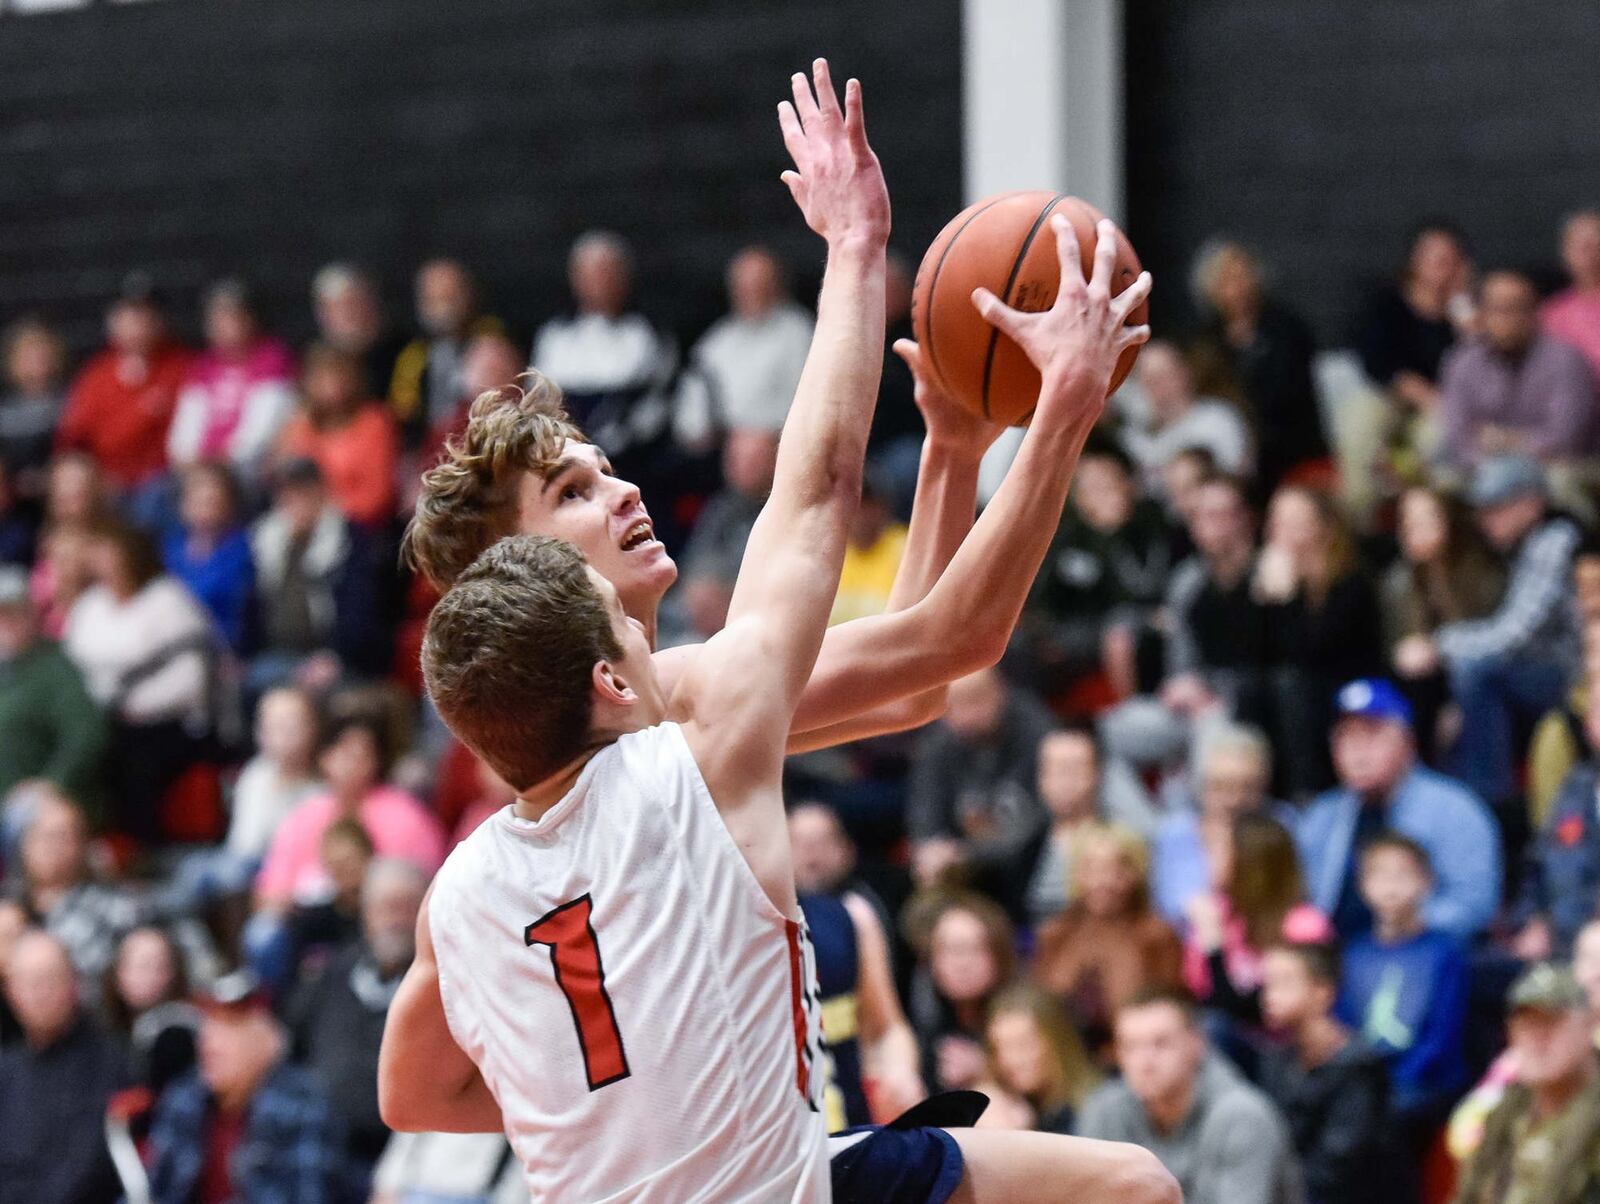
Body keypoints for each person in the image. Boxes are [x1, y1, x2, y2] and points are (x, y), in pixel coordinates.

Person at [382, 63, 1171, 1204]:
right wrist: (880, 270)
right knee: (1130, 1189)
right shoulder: (697, 726)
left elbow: (918, 673)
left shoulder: (470, 881)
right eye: (569, 493)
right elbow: (843, 523)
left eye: (602, 465)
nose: (617, 490)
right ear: (524, 572)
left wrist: (950, 452)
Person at [1426, 455, 1583, 809]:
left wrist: (1440, 645)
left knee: (1476, 671)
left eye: (1496, 508)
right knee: (1466, 676)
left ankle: (1490, 799)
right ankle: (1459, 797)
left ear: (1531, 504)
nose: (1486, 521)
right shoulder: (1514, 550)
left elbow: (1514, 634)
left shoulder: (1556, 540)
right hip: (1537, 675)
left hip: (1573, 682)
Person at [1295, 678, 1501, 941]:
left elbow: (1475, 905)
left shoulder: (1454, 809)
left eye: (1372, 734)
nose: (1358, 751)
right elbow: (1303, 900)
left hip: (1421, 957)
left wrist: (1408, 928)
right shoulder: (1322, 815)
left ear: (1407, 742)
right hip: (1332, 963)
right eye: (1346, 736)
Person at [64, 518, 216, 842]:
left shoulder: (168, 601)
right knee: (82, 749)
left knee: (132, 760)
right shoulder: (90, 605)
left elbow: (191, 677)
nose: (101, 559)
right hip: (98, 716)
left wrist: (133, 707)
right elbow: (72, 667)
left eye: (109, 551)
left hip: (164, 722)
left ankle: (141, 847)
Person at [1078, 988, 1302, 1204]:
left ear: (1197, 1043)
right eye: (1130, 1047)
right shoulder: (1104, 1109)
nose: (1144, 1062)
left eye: (1161, 1044)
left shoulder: (1243, 1117)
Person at [288, 858, 428, 1198]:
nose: (394, 920)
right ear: (366, 914)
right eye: (384, 907)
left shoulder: (442, 986)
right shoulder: (330, 974)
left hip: (407, 1156)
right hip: (322, 1147)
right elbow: (291, 1045)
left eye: (405, 907)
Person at [147, 971, 345, 1204]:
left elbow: (308, 1196)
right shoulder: (184, 1096)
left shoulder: (304, 1102)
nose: (209, 1043)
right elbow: (154, 1191)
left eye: (228, 1027)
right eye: (207, 1027)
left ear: (265, 1041)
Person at [789, 803, 926, 1128]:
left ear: (845, 850)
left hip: (847, 1116)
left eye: (820, 842)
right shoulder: (742, 921)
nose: (811, 854)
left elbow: (887, 1027)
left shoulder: (853, 914)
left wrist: (901, 1072)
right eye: (800, 843)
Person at [1337, 833, 1470, 1146]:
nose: (1390, 887)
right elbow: (1341, 1026)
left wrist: (1392, 1085)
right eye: (1378, 875)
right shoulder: (1353, 953)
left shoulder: (1444, 952)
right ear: (1362, 885)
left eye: (1402, 874)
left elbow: (1441, 1038)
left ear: (1427, 882)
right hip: (1363, 1079)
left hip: (1423, 1083)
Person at [1254, 484, 1384, 796]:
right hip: (1300, 692)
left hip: (1350, 686)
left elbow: (1313, 653)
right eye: (1277, 522)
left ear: (1324, 527)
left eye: (1294, 522)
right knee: (1254, 691)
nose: (1281, 532)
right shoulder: (1271, 575)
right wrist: (1263, 600)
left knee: (1291, 684)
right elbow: (1254, 653)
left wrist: (1285, 601)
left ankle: (1305, 794)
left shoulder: (1352, 581)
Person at [1019, 441, 1174, 700]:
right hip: (1070, 627)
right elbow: (1043, 595)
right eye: (1088, 488)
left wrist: (1110, 535)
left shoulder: (1147, 528)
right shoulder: (1065, 535)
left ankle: (1130, 714)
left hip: (1128, 621)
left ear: (1127, 486)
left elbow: (1135, 591)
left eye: (1106, 485)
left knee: (1118, 632)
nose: (1098, 496)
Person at [255, 710, 443, 915]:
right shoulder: (305, 815)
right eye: (345, 754)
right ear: (324, 758)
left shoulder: (406, 817)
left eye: (362, 756)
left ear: (376, 762)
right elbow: (269, 892)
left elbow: (425, 894)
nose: (352, 764)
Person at [907, 667, 1056, 916]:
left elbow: (1037, 821)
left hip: (1026, 862)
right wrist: (931, 848)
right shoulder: (939, 744)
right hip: (964, 864)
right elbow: (925, 811)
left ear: (1000, 694)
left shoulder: (1035, 732)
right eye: (955, 706)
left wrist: (968, 854)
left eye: (976, 701)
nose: (967, 716)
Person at [1451, 962, 1600, 1204]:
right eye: (1527, 1024)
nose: (1537, 1039)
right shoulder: (1507, 1110)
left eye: (1552, 1022)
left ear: (1588, 1025)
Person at [1033, 824, 1185, 1059]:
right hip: (1064, 1061)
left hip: (1134, 1058)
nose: (1102, 881)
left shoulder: (1156, 936)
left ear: (1136, 874)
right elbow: (1041, 1009)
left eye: (1116, 869)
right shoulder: (1055, 934)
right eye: (1091, 869)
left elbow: (1170, 1013)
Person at [1257, 941, 1390, 1204]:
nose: (1269, 996)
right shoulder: (1276, 1059)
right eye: (1267, 984)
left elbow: (1337, 1165)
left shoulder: (1358, 1067)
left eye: (1283, 983)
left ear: (1323, 992)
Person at [0, 929, 126, 1204]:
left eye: (49, 979)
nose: (39, 992)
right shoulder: (5, 1069)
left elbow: (89, 1167)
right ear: (10, 992)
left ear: (74, 983)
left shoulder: (108, 1061)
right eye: (28, 982)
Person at [1188, 239, 1327, 490]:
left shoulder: (1287, 329)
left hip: (1287, 445)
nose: (1237, 289)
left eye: (1243, 277)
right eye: (1227, 281)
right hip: (1229, 443)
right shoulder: (1206, 341)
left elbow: (1291, 395)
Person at [248, 457, 392, 694]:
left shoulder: (347, 538)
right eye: (287, 494)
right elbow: (251, 607)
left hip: (334, 655)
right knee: (252, 682)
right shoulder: (265, 540)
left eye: (303, 492)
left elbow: (360, 612)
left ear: (320, 492)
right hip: (276, 653)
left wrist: (336, 657)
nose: (295, 502)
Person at [1383, 484, 1504, 761]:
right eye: (1407, 521)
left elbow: (1493, 647)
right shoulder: (1399, 581)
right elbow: (1398, 652)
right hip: (1427, 692)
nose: (1414, 529)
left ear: (1450, 520)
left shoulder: (1483, 572)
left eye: (1426, 519)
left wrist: (1456, 705)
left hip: (1479, 685)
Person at [1440, 269, 1598, 470]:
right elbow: (1459, 437)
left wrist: (1506, 442)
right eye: (1498, 309)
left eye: (1517, 308)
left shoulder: (1566, 361)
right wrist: (1491, 466)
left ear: (1535, 312)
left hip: (1555, 473)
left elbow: (1565, 438)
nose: (1508, 319)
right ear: (1482, 313)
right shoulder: (1463, 362)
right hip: (1479, 473)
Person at [1182, 813, 1328, 1027]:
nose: (1207, 860)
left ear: (1246, 859)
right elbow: (1201, 997)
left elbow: (1262, 1014)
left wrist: (1215, 949)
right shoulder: (1219, 912)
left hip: (1285, 1044)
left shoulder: (1304, 925)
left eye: (1215, 850)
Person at [530, 231, 675, 438]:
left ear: (624, 276)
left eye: (607, 271)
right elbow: (539, 400)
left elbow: (655, 402)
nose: (599, 281)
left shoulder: (649, 335)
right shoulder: (554, 336)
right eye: (589, 273)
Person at [55, 281, 191, 498]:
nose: (138, 324)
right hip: (106, 483)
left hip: (164, 482)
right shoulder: (96, 375)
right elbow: (72, 438)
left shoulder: (182, 367)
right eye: (129, 316)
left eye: (145, 316)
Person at [166, 278, 297, 484]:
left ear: (251, 319)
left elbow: (262, 432)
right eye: (216, 317)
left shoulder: (273, 360)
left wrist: (222, 464)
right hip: (200, 472)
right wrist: (188, 460)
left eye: (231, 316)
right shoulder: (203, 366)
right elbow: (185, 428)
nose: (222, 325)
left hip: (247, 472)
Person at [8, 791, 141, 988]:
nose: (52, 846)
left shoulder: (117, 911)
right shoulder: (7, 906)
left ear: (83, 844)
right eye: (43, 835)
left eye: (63, 836)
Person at [0, 565, 106, 810]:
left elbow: (87, 734)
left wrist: (53, 783)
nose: (5, 623)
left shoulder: (55, 667)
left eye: (13, 613)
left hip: (34, 811)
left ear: (31, 614)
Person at [1026, 725, 1155, 922]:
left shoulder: (1124, 841)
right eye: (1054, 770)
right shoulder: (1021, 847)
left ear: (1097, 774)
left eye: (1074, 769)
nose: (1064, 781)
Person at [1151, 723, 1276, 925]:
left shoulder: (1279, 827)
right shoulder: (1174, 834)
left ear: (1263, 788)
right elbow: (1165, 911)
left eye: (1247, 787)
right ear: (1201, 787)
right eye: (1220, 787)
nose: (1234, 800)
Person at [687, 244, 815, 433]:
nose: (752, 292)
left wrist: (756, 431)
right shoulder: (718, 339)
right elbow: (691, 400)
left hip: (778, 439)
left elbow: (805, 402)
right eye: (744, 285)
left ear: (778, 285)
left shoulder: (798, 332)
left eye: (760, 283)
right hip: (720, 443)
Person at [1511, 688, 1600, 960]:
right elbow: (1538, 864)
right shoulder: (1575, 786)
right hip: (1564, 951)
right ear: (1588, 725)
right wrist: (1533, 920)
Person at [1356, 221, 1471, 421]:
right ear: (1414, 261)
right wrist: (1422, 394)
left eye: (1451, 260)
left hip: (1452, 403)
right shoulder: (1387, 306)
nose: (1444, 268)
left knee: (1442, 431)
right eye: (1436, 260)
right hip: (1394, 396)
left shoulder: (1467, 308)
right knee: (1363, 418)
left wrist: (1461, 304)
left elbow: (1482, 360)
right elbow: (1378, 362)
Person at [278, 342, 402, 529]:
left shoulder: (375, 422)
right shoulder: (301, 425)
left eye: (338, 374)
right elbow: (291, 485)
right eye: (323, 376)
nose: (332, 384)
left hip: (361, 529)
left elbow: (378, 497)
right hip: (306, 525)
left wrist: (328, 512)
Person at [908, 893, 1017, 1093]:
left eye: (975, 948)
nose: (963, 964)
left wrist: (985, 1069)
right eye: (951, 950)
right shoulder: (927, 1020)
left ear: (1000, 955)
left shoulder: (1025, 1013)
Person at [674, 426, 777, 638]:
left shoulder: (783, 509)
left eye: (752, 460)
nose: (739, 466)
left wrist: (731, 597)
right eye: (734, 457)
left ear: (775, 460)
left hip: (762, 621)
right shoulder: (721, 508)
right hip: (706, 625)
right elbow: (695, 565)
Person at [390, 258, 503, 449]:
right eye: (433, 298)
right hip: (432, 450)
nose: (443, 307)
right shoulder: (413, 354)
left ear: (468, 295)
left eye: (449, 296)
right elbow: (403, 412)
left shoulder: (492, 339)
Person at [1119, 339, 1252, 491]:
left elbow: (1234, 481)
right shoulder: (1134, 437)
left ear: (1184, 372)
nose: (1157, 386)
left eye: (1163, 375)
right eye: (1148, 379)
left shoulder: (1217, 420)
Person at [161, 460, 255, 654]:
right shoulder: (170, 548)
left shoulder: (241, 550)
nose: (205, 505)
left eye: (213, 501)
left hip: (221, 651)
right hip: (170, 647)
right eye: (197, 499)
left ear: (229, 503)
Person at [981, 983, 1102, 1134]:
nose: (1011, 1060)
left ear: (1057, 1043)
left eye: (1024, 1044)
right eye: (1000, 1047)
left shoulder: (1097, 1108)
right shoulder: (1001, 1105)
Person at [102, 925, 198, 1098]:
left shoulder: (180, 1034)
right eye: (139, 965)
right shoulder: (105, 1034)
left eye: (159, 965)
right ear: (117, 972)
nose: (149, 975)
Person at [310, 262, 406, 401]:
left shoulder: (406, 354)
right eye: (337, 307)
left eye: (354, 303)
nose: (348, 314)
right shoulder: (315, 363)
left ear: (372, 303)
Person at [828, 464, 909, 626]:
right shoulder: (828, 552)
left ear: (884, 507)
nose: (862, 515)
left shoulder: (905, 549)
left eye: (869, 505)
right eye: (856, 506)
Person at [0, 316, 69, 491]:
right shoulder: (5, 409)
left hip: (61, 491)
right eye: (28, 355)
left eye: (42, 354)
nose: (37, 361)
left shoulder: (72, 402)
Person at [1542, 209, 1600, 379]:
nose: (1592, 255)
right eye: (1584, 247)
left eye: (1597, 245)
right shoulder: (1552, 314)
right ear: (1565, 253)